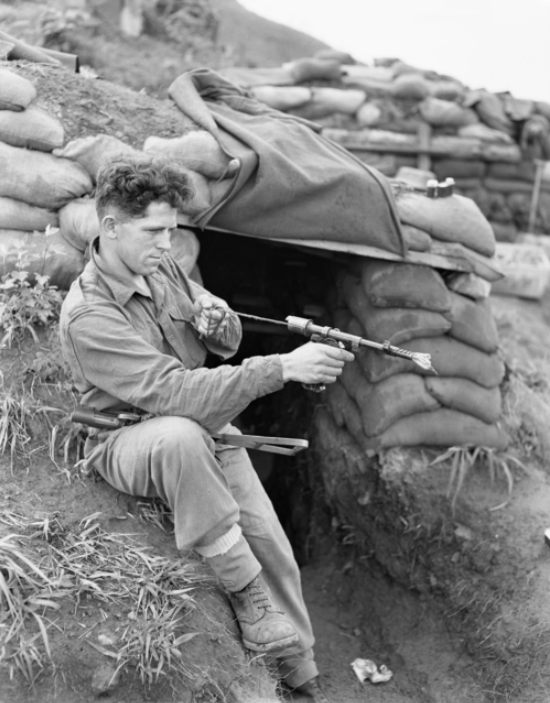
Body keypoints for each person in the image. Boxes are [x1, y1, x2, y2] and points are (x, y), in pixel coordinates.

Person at [59, 155, 354, 701]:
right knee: (180, 435)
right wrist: (283, 367)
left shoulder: (162, 265)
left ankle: (300, 672)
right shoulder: (88, 315)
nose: (167, 245)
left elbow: (218, 343)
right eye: (154, 231)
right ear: (110, 228)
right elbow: (174, 393)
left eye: (173, 231)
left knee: (272, 543)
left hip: (207, 424)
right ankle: (246, 598)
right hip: (129, 437)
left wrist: (219, 323)